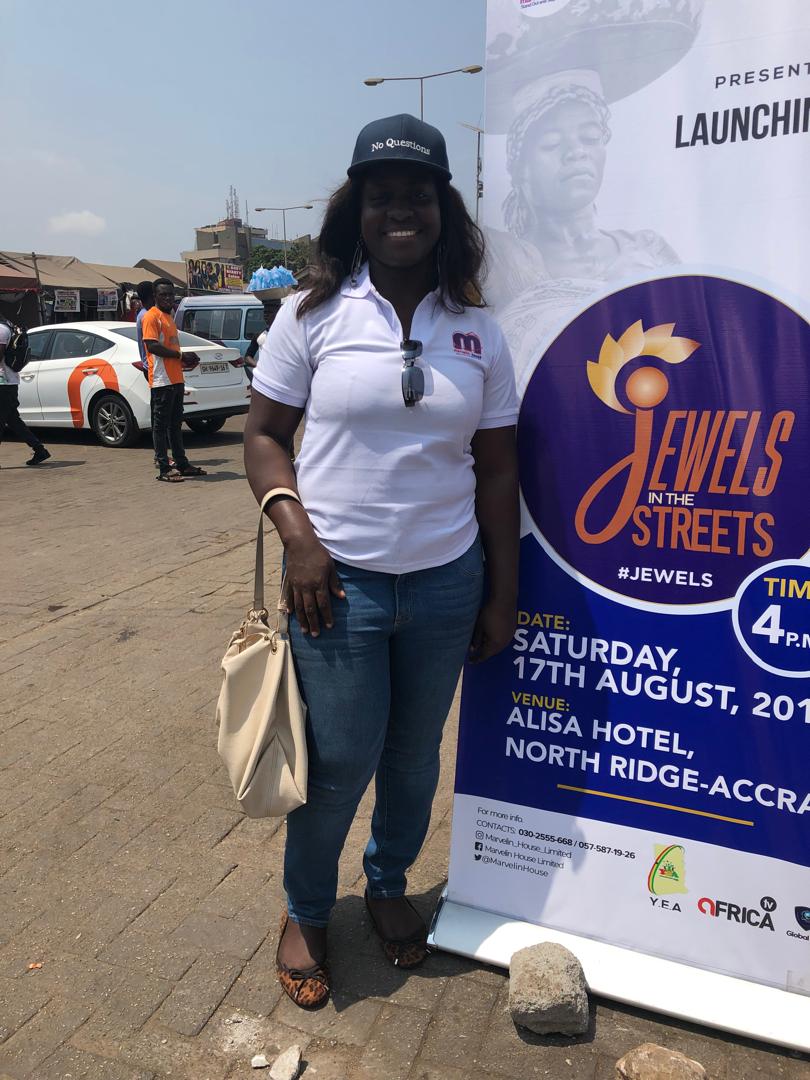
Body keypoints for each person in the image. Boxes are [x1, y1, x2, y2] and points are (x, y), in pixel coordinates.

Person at [244, 113, 520, 1009]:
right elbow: (262, 437)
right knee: (337, 763)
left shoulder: (479, 330)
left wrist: (501, 595)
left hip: (447, 581)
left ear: (444, 210)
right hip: (336, 587)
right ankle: (307, 908)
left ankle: (389, 884)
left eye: (418, 194)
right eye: (382, 194)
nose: (401, 209)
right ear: (355, 211)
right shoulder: (311, 315)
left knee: (412, 757)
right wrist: (298, 539)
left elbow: (498, 468)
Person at [141, 278, 206, 483]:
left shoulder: (168, 316)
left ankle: (182, 463)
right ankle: (163, 468)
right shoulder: (151, 317)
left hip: (176, 378)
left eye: (170, 294)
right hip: (162, 380)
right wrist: (180, 356)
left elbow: (171, 348)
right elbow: (152, 346)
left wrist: (185, 358)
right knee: (160, 426)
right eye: (163, 295)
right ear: (155, 296)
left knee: (176, 424)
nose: (168, 298)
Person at [0, 317, 50, 467]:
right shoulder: (6, 327)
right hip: (6, 383)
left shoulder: (1, 329)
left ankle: (40, 449)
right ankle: (40, 450)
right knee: (13, 421)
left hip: (4, 383)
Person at [244, 298, 282, 380]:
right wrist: (259, 367)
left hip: (280, 378)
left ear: (278, 313)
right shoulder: (259, 335)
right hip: (263, 378)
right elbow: (247, 357)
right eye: (265, 312)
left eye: (269, 312)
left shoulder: (286, 334)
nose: (266, 315)